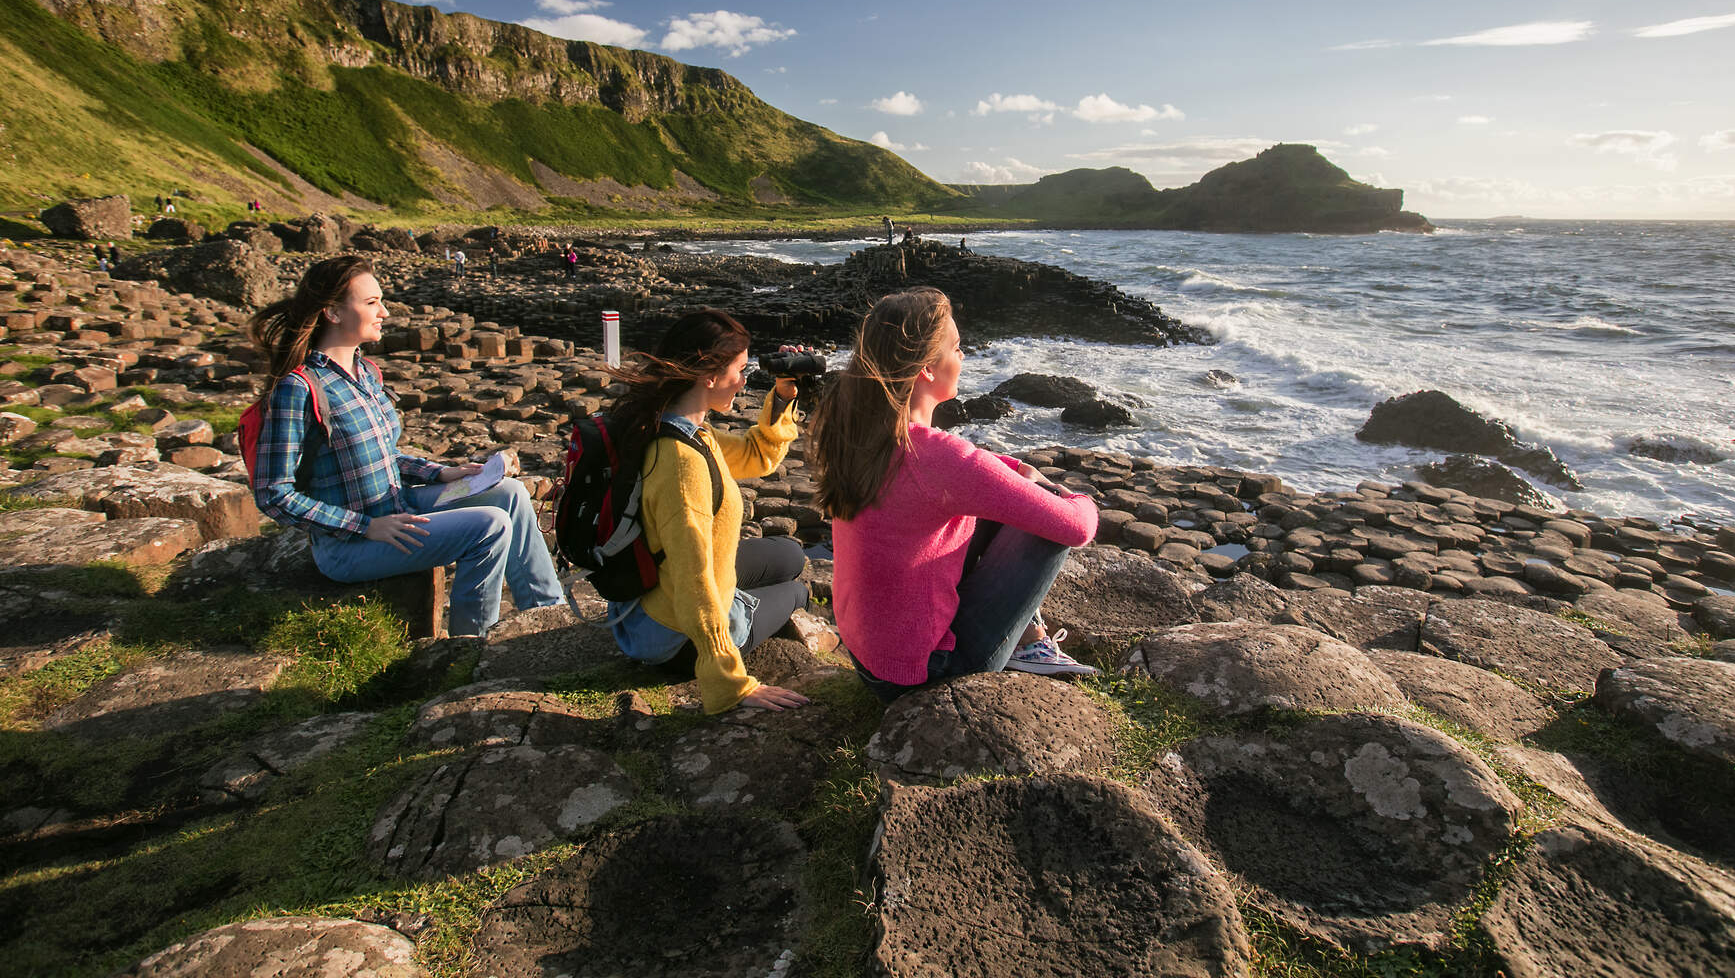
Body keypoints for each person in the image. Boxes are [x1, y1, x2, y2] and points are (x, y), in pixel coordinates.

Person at [246, 255, 566, 637]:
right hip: (349, 544)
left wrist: (442, 473)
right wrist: (365, 527)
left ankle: (550, 617)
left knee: (510, 493)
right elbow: (273, 494)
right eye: (371, 303)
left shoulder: (364, 373)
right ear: (331, 312)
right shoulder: (298, 388)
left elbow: (384, 454)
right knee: (489, 526)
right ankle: (470, 647)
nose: (383, 311)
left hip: (398, 505)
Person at [810, 288, 1099, 701]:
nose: (963, 358)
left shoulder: (859, 432)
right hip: (926, 672)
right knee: (1046, 522)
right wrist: (1073, 495)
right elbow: (1075, 527)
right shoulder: (938, 459)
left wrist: (1017, 470)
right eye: (958, 348)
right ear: (928, 367)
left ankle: (1029, 635)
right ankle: (1027, 645)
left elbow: (972, 471)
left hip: (872, 659)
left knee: (1007, 498)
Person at [602, 309, 812, 714]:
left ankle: (738, 599)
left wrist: (784, 395)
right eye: (740, 369)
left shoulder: (682, 426)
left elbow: (756, 455)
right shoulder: (682, 465)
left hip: (653, 594)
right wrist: (730, 683)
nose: (745, 380)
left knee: (791, 554)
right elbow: (693, 579)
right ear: (709, 375)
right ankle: (728, 628)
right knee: (797, 590)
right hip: (669, 635)